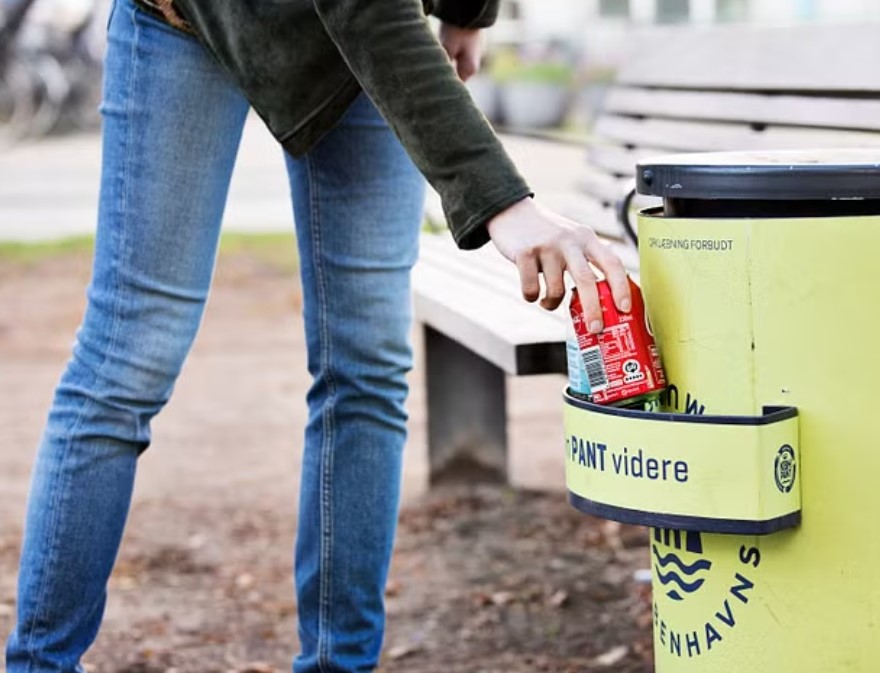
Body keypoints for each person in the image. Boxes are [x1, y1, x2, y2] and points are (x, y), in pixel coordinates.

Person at [4, 0, 631, 671]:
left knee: (366, 366)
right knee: (130, 355)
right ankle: (39, 663)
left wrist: (465, 12)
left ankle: (340, 662)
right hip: (187, 20)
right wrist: (505, 203)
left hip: (356, 41)